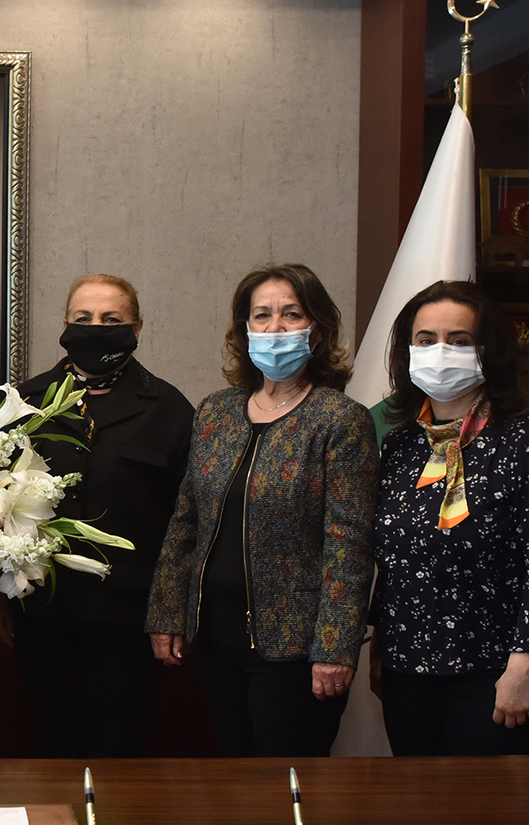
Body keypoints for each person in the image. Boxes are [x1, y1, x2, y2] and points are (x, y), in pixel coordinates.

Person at [145, 263, 376, 757]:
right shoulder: (216, 412)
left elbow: (349, 545)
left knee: (283, 782)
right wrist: (166, 612)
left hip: (296, 649)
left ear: (317, 331)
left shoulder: (340, 419)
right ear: (245, 328)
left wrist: (336, 647)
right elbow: (186, 522)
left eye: (291, 314)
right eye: (262, 315)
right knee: (233, 778)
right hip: (215, 638)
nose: (275, 328)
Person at [0, 274, 193, 758]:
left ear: (137, 328)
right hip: (40, 610)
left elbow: (184, 522)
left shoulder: (169, 409)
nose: (96, 327)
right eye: (83, 318)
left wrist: (171, 610)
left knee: (120, 746)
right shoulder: (24, 402)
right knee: (50, 743)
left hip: (127, 617)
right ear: (65, 324)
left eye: (111, 319)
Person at [371, 279, 529, 756]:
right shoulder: (401, 446)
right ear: (407, 352)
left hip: (494, 672)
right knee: (416, 799)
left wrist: (524, 667)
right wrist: (380, 649)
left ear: (488, 351)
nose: (440, 351)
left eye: (459, 340)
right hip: (407, 671)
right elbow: (394, 561)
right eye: (426, 339)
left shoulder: (528, 444)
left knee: (482, 803)